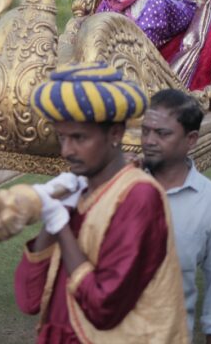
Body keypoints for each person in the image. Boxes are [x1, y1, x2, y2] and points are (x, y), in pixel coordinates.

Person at [14, 63, 188, 343]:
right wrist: (52, 213)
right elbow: (29, 298)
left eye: (79, 137)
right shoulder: (78, 191)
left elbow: (103, 307)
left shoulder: (140, 196)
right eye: (62, 137)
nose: (66, 150)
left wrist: (60, 226)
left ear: (115, 134)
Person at [141, 89, 211, 343]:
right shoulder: (120, 187)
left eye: (162, 133)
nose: (149, 140)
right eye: (145, 131)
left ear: (191, 139)